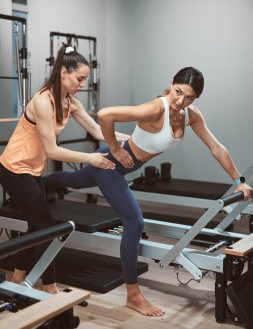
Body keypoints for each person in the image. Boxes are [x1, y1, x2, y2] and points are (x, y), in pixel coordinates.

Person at [43, 66, 252, 315]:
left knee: (75, 180)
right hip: (110, 165)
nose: (180, 101)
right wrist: (115, 148)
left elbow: (216, 147)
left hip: (119, 166)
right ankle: (133, 295)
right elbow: (105, 114)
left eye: (189, 97)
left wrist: (239, 180)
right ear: (171, 83)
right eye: (178, 92)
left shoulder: (190, 115)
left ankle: (40, 184)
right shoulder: (155, 108)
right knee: (134, 222)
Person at [0, 43, 129, 294]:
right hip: (14, 169)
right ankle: (50, 287)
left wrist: (133, 143)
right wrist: (90, 158)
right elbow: (52, 150)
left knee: (37, 226)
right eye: (79, 78)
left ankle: (17, 278)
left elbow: (97, 131)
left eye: (84, 79)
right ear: (63, 73)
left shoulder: (71, 102)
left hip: (32, 169)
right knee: (49, 228)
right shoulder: (43, 102)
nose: (82, 84)